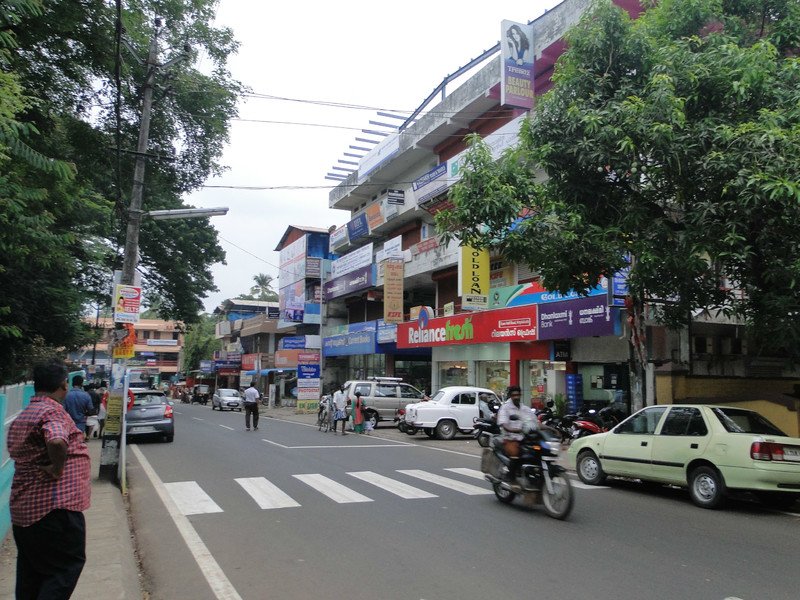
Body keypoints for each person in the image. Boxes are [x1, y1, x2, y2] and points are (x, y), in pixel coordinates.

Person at [7, 359, 91, 599]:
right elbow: (56, 439)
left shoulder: (26, 413)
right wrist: (56, 468)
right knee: (64, 568)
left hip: (26, 511)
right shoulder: (52, 411)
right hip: (54, 510)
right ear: (63, 385)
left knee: (32, 574)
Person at [496, 385, 537, 482]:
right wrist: (513, 430)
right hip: (510, 439)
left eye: (518, 395)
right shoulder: (505, 408)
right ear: (510, 396)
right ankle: (511, 477)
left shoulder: (525, 409)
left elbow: (536, 422)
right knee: (515, 453)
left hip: (525, 438)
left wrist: (551, 429)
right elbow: (504, 424)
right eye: (514, 395)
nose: (516, 397)